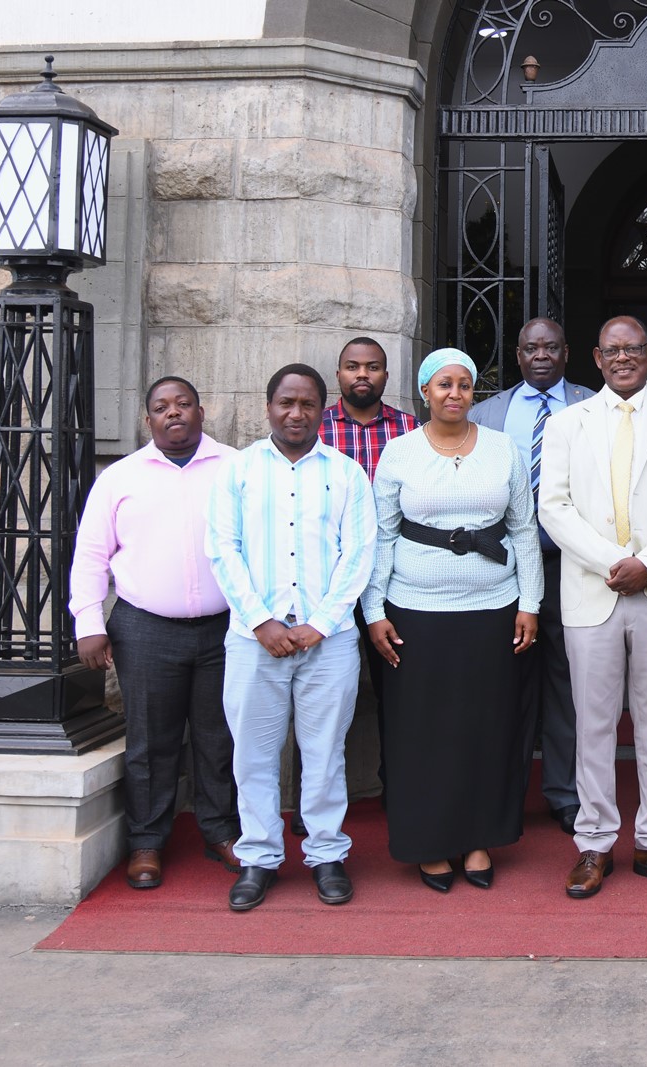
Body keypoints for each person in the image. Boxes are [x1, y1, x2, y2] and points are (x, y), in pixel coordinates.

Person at [538, 316, 647, 899]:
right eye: (611, 350)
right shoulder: (566, 423)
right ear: (596, 356)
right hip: (594, 590)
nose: (622, 358)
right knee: (593, 723)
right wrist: (617, 562)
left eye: (633, 348)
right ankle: (594, 841)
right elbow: (553, 509)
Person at [362, 349, 541, 893]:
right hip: (415, 614)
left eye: (465, 384)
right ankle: (430, 843)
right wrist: (374, 612)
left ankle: (478, 837)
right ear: (425, 392)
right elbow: (382, 536)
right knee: (423, 734)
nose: (455, 393)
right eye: (444, 384)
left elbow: (525, 531)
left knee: (485, 729)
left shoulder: (503, 450)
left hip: (492, 611)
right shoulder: (399, 453)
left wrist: (530, 602)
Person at [206, 363, 375, 912]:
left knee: (324, 754)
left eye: (306, 404)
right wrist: (261, 621)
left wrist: (318, 624)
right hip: (254, 640)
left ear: (321, 410)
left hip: (329, 641)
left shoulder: (347, 473)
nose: (295, 413)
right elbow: (222, 549)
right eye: (286, 403)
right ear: (269, 406)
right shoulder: (238, 471)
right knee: (253, 756)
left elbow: (360, 554)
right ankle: (259, 857)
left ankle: (327, 853)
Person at [69, 376, 240, 890]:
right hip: (144, 628)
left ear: (201, 412)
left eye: (183, 404)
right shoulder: (120, 478)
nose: (174, 413)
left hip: (224, 627)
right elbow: (91, 555)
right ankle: (147, 841)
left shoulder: (236, 467)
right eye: (162, 407)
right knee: (150, 741)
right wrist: (88, 622)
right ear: (148, 420)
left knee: (220, 737)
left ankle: (221, 830)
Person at [469, 317, 594, 835]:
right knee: (505, 682)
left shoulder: (594, 406)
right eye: (530, 348)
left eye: (551, 347)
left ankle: (565, 794)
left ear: (567, 353)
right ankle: (505, 791)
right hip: (505, 567)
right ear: (517, 355)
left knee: (568, 682)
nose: (541, 355)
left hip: (573, 564)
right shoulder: (485, 415)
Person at [313, 335, 417, 827]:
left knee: (398, 690)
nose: (362, 375)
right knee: (318, 695)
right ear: (338, 374)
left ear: (385, 375)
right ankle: (315, 801)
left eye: (372, 367)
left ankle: (401, 787)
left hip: (393, 579)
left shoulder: (410, 430)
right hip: (326, 582)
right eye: (352, 366)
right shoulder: (313, 427)